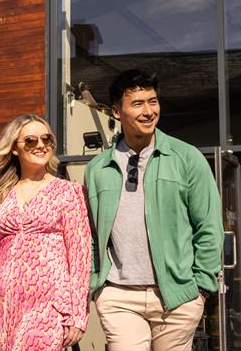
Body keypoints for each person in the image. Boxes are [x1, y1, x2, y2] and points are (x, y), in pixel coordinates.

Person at [85, 69, 224, 351]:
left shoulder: (187, 158)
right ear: (116, 111)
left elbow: (208, 226)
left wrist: (201, 289)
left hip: (178, 295)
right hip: (118, 295)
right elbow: (89, 234)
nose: (149, 111)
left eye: (153, 101)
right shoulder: (97, 169)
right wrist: (96, 284)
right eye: (138, 103)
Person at [0, 114, 91, 350]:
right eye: (30, 141)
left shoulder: (68, 192)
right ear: (15, 149)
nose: (40, 145)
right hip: (5, 302)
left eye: (46, 139)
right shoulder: (0, 195)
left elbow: (80, 255)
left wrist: (78, 314)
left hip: (49, 303)